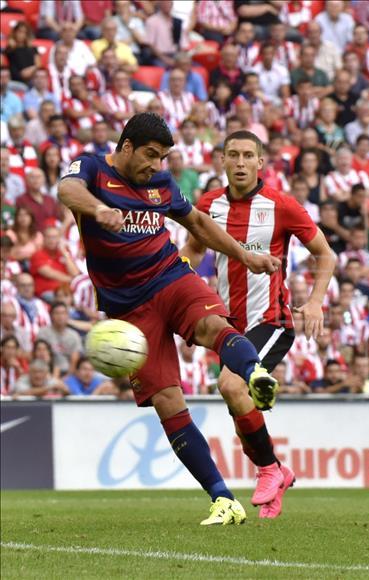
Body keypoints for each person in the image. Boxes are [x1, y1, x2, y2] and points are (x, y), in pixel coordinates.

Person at [57, 113, 283, 526]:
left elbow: (196, 222)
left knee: (214, 327)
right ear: (126, 147)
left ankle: (254, 373)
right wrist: (98, 209)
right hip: (128, 310)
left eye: (162, 157)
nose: (155, 165)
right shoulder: (91, 168)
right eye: (149, 155)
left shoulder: (160, 184)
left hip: (170, 277)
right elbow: (67, 189)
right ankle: (223, 499)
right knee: (167, 402)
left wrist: (245, 255)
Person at [183, 130, 336, 519]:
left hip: (271, 319)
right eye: (232, 154)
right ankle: (276, 473)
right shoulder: (208, 204)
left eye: (247, 155)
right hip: (228, 325)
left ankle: (269, 469)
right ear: (221, 161)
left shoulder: (281, 206)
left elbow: (325, 254)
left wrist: (316, 301)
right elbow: (193, 251)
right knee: (237, 401)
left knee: (231, 384)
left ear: (260, 163)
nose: (239, 162)